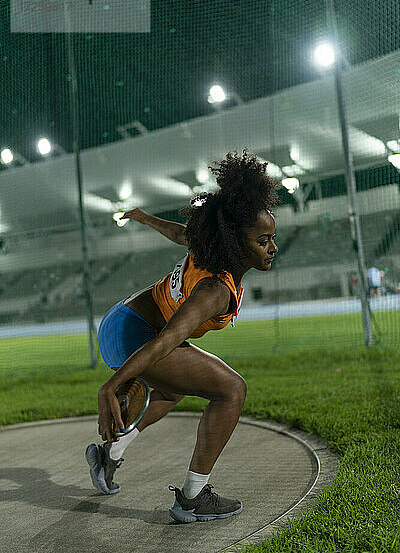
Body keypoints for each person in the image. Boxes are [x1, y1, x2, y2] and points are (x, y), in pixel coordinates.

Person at [85, 148, 280, 523]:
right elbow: (166, 342)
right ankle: (193, 497)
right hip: (137, 334)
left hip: (120, 319)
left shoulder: (208, 245)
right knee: (231, 390)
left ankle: (109, 453)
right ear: (236, 243)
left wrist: (143, 218)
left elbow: (180, 232)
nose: (273, 247)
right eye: (263, 241)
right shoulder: (215, 291)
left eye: (271, 237)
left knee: (174, 389)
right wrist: (111, 386)